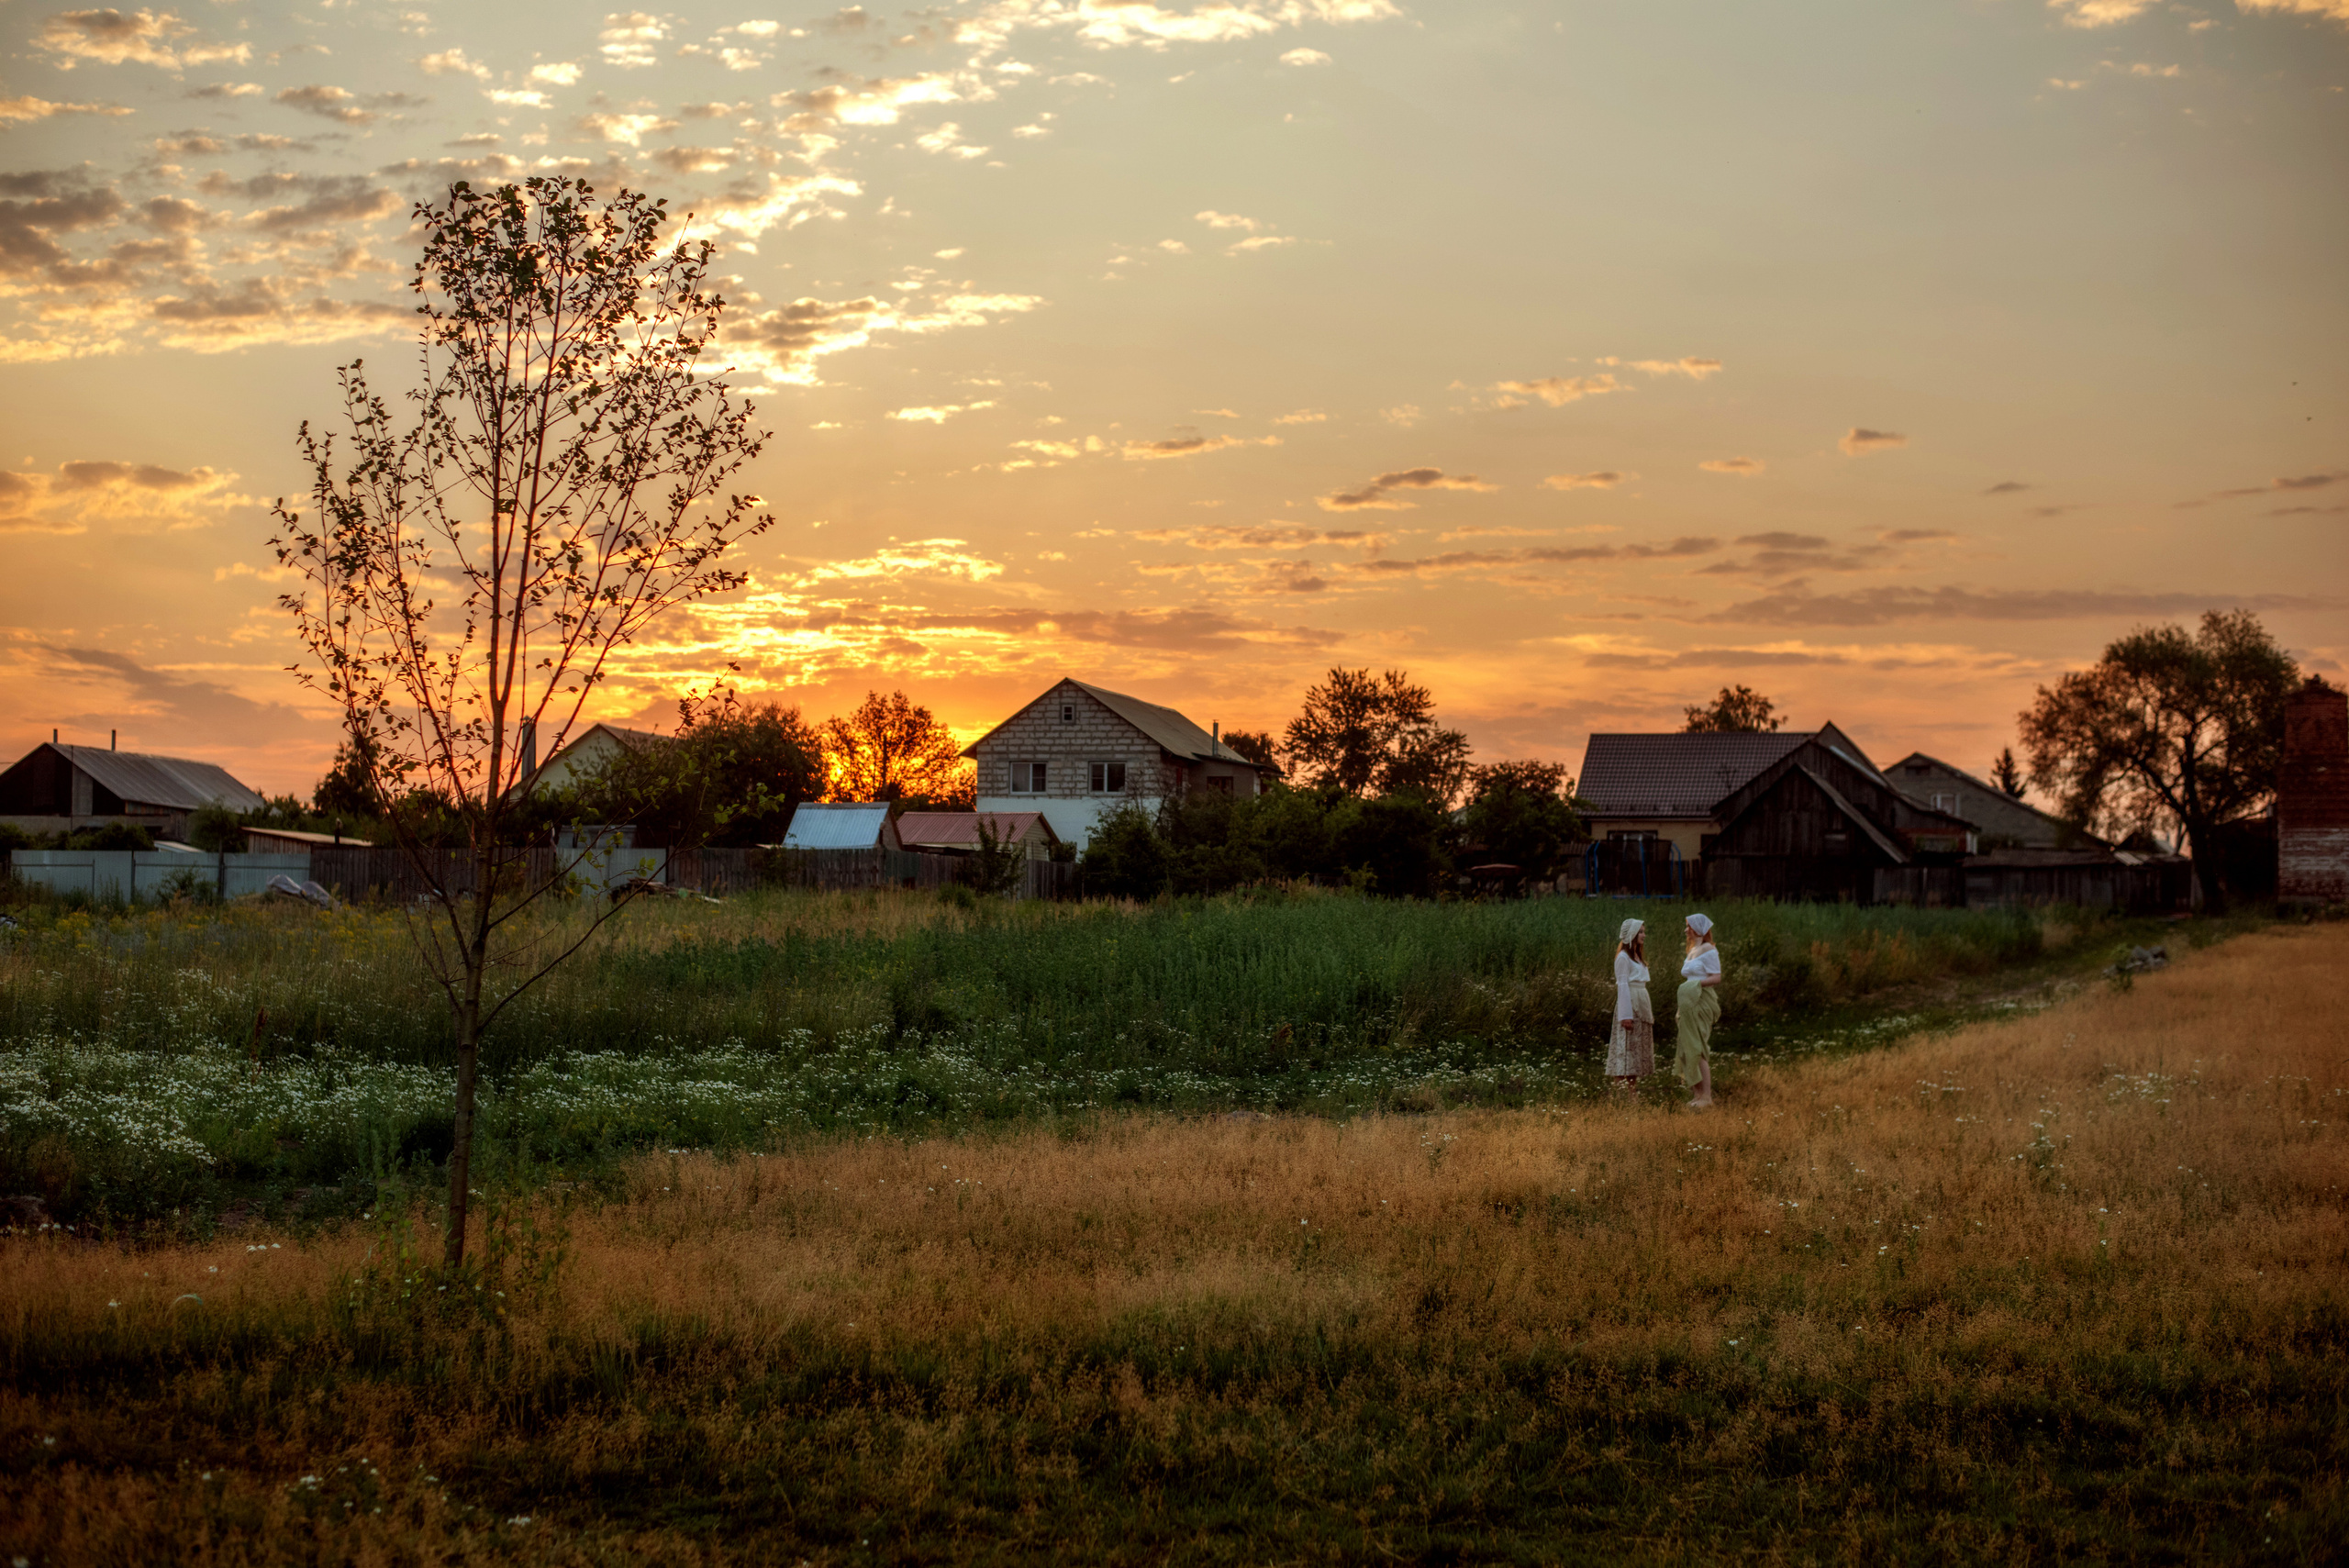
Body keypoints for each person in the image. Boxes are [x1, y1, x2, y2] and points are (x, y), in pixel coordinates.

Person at [1676, 912, 1723, 1108]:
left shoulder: (1708, 950)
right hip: (1688, 1001)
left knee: (1699, 1047)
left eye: (1688, 926)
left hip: (1701, 1000)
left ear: (1697, 928)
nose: (1686, 930)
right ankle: (1697, 1094)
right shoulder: (1692, 950)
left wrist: (1696, 985)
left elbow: (1716, 977)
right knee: (1688, 1047)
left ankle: (1706, 1096)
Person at [1605, 917, 1653, 1092]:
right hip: (1630, 1006)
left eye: (1643, 931)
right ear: (1632, 934)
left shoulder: (1637, 958)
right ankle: (1619, 1094)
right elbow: (1623, 985)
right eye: (1640, 932)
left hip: (1641, 1004)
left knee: (1635, 1053)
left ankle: (1632, 1094)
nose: (1644, 935)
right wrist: (1626, 1015)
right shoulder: (1623, 958)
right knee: (1625, 1050)